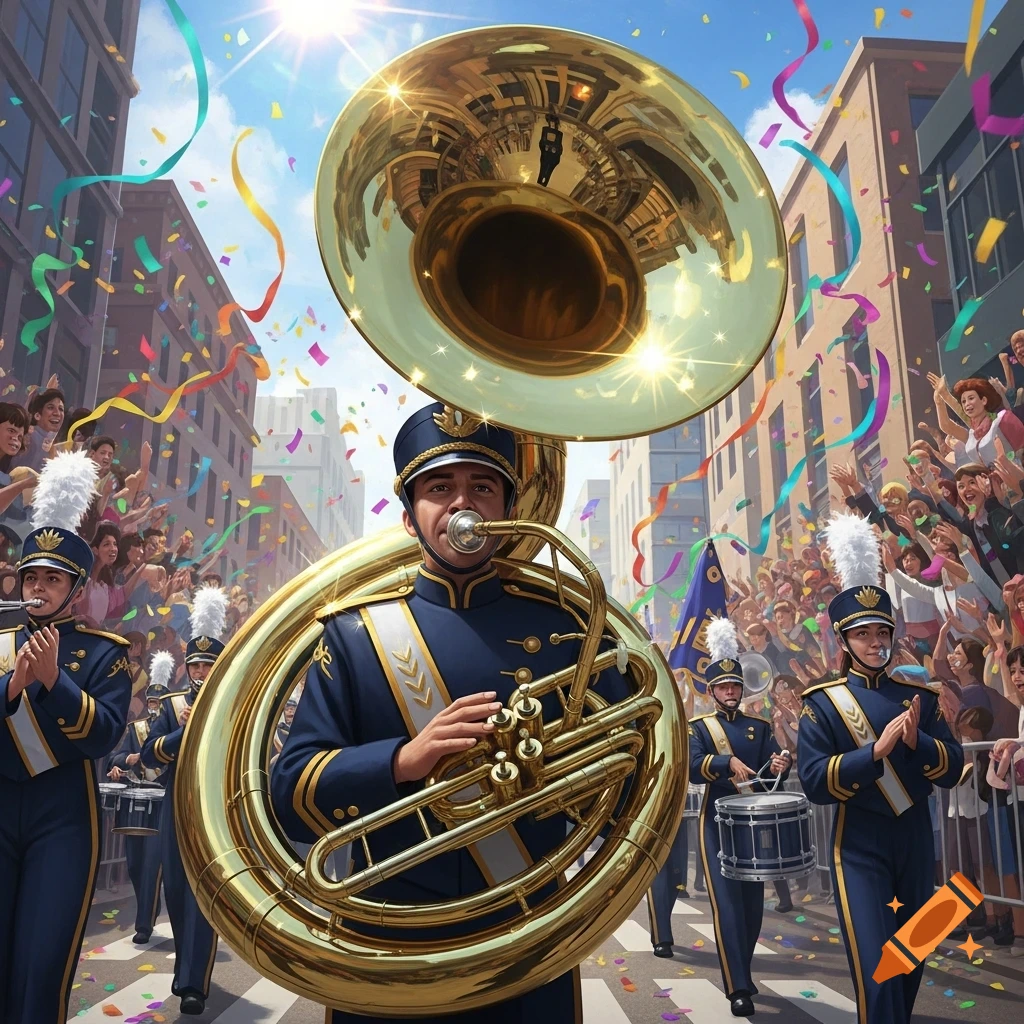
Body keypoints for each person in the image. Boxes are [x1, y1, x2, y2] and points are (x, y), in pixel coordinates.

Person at [270, 402, 631, 1024]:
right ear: (411, 517)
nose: (463, 503)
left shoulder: (571, 627)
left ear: (506, 508)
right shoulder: (355, 635)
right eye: (440, 487)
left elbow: (635, 762)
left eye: (481, 486)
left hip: (530, 930)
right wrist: (404, 760)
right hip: (391, 928)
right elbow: (290, 792)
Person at [797, 513, 964, 1024]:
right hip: (860, 846)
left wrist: (916, 743)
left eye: (882, 632)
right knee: (877, 969)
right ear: (844, 641)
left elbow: (955, 768)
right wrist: (873, 754)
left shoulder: (920, 697)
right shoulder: (822, 704)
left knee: (910, 962)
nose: (875, 642)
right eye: (863, 634)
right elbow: (812, 782)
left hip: (917, 842)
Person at [0, 450, 132, 1022]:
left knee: (40, 961)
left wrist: (54, 681)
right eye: (32, 575)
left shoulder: (105, 655)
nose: (38, 586)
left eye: (52, 578)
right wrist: (13, 684)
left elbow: (103, 735)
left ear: (75, 589)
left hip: (63, 816)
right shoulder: (1, 640)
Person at [687, 615, 791, 1018]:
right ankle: (738, 987)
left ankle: (743, 970)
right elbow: (695, 766)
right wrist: (726, 762)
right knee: (728, 905)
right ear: (712, 691)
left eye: (735, 686)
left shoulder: (759, 727)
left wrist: (781, 762)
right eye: (723, 687)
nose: (730, 691)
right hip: (717, 825)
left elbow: (770, 775)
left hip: (754, 826)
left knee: (752, 907)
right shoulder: (700, 727)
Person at [141, 585, 230, 1015]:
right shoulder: (174, 706)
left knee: (203, 894)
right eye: (195, 664)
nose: (199, 671)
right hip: (173, 807)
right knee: (176, 891)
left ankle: (194, 982)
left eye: (208, 664)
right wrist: (183, 732)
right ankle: (187, 967)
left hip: (213, 811)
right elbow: (147, 753)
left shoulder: (234, 707)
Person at [106, 653, 175, 944]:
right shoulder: (135, 729)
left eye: (160, 703)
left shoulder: (173, 732)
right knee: (135, 864)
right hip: (136, 800)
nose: (155, 708)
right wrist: (124, 761)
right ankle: (147, 909)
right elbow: (115, 757)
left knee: (151, 865)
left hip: (162, 801)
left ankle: (143, 924)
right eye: (152, 703)